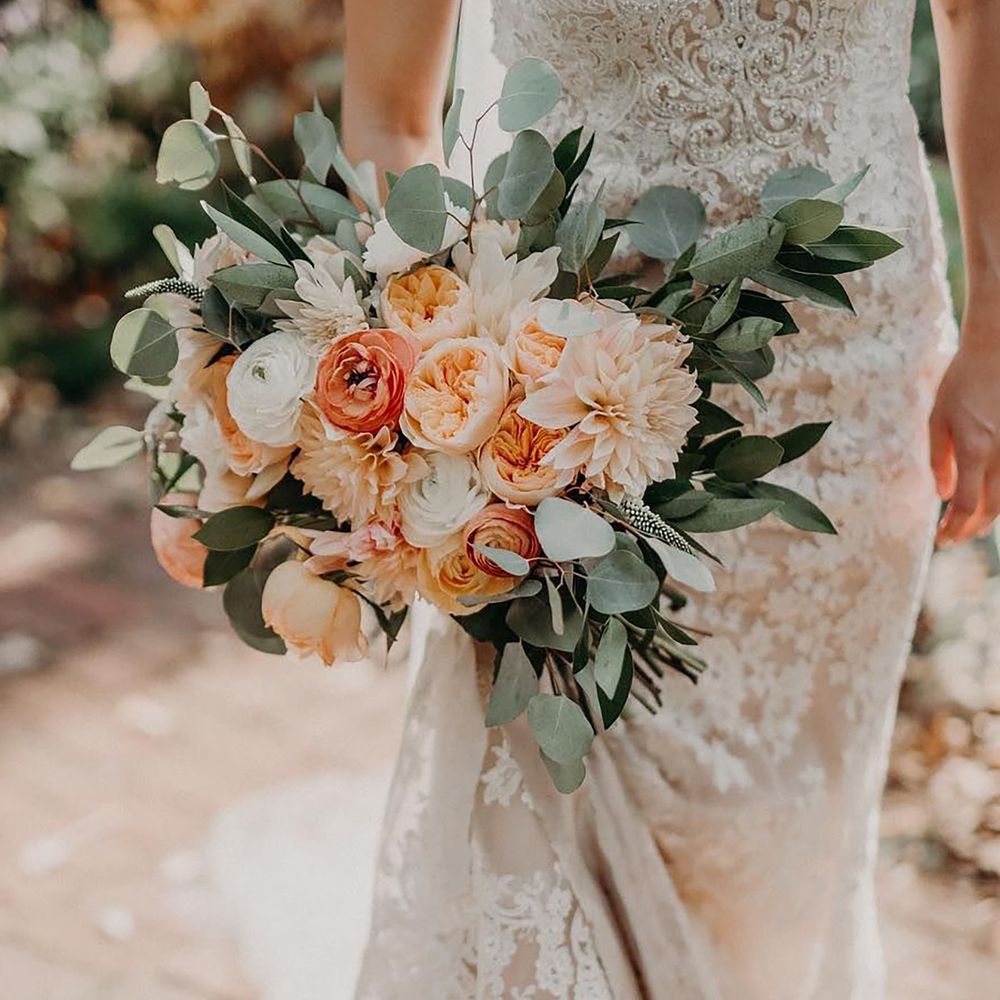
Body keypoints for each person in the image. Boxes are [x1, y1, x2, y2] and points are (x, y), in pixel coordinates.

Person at [332, 1, 1000, 997]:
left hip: (848, 390)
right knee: (547, 837)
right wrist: (429, 386)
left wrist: (994, 322)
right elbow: (389, 117)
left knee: (775, 862)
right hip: (552, 417)